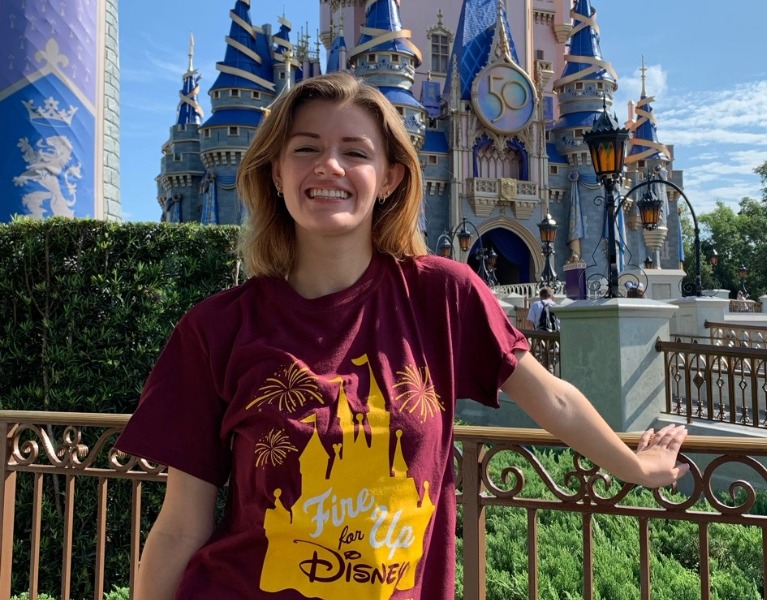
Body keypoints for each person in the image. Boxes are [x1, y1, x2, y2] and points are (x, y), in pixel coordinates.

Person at [115, 71, 687, 600]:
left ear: (390, 177)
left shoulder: (443, 296)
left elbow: (554, 399)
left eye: (355, 152)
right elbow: (181, 523)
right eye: (306, 148)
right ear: (276, 171)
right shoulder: (216, 329)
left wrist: (634, 467)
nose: (328, 166)